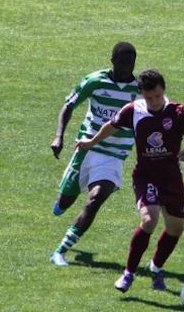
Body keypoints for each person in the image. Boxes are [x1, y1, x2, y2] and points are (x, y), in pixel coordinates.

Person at [76, 68, 184, 292]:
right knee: (149, 219)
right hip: (146, 176)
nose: (154, 101)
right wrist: (91, 142)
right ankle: (129, 273)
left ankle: (155, 268)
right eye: (149, 97)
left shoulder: (179, 112)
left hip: (172, 177)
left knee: (176, 228)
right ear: (141, 93)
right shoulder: (134, 110)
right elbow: (110, 127)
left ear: (164, 90)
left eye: (158, 96)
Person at [49, 42, 140, 267]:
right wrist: (59, 137)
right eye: (122, 63)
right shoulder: (94, 81)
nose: (126, 68)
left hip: (114, 156)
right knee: (63, 204)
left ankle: (60, 251)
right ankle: (64, 200)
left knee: (96, 199)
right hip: (87, 149)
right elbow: (68, 106)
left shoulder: (140, 90)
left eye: (130, 64)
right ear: (112, 61)